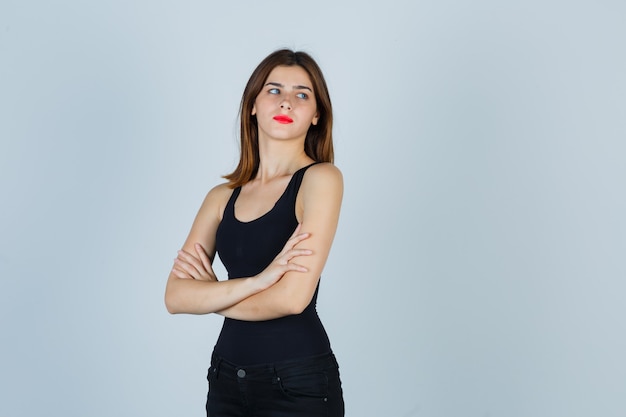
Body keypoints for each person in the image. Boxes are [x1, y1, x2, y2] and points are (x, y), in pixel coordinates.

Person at [164, 49, 345, 417]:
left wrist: (211, 296)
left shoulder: (320, 180)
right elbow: (175, 297)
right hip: (226, 381)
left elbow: (292, 300)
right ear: (253, 105)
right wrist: (257, 281)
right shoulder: (221, 197)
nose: (287, 102)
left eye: (302, 94)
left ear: (316, 115)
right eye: (274, 90)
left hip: (297, 384)